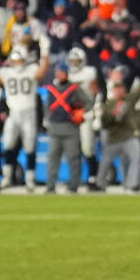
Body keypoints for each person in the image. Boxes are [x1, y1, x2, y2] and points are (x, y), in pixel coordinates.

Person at [0, 48, 50, 191]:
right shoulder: (6, 72)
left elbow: (42, 72)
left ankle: (30, 179)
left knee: (30, 146)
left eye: (20, 60)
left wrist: (45, 54)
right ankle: (7, 177)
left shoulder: (31, 70)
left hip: (29, 112)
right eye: (16, 60)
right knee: (8, 145)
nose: (18, 63)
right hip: (13, 112)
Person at [43, 63, 92, 194]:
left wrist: (81, 112)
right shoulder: (51, 88)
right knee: (53, 159)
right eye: (58, 72)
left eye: (62, 72)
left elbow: (89, 102)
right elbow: (47, 107)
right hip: (55, 127)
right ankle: (50, 186)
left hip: (71, 128)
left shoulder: (74, 88)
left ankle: (73, 186)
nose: (59, 75)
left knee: (73, 158)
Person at [96, 73, 140, 192]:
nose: (119, 91)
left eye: (121, 89)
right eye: (117, 89)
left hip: (128, 137)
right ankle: (100, 184)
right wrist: (113, 115)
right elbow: (104, 123)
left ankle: (132, 185)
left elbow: (139, 91)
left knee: (137, 156)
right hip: (114, 138)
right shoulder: (109, 104)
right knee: (105, 161)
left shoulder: (129, 100)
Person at [67, 47, 102, 190]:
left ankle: (93, 178)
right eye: (72, 61)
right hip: (71, 116)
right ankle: (75, 179)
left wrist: (96, 114)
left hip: (86, 113)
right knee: (72, 150)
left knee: (88, 148)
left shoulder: (89, 72)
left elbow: (96, 93)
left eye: (77, 61)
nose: (75, 64)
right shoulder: (66, 73)